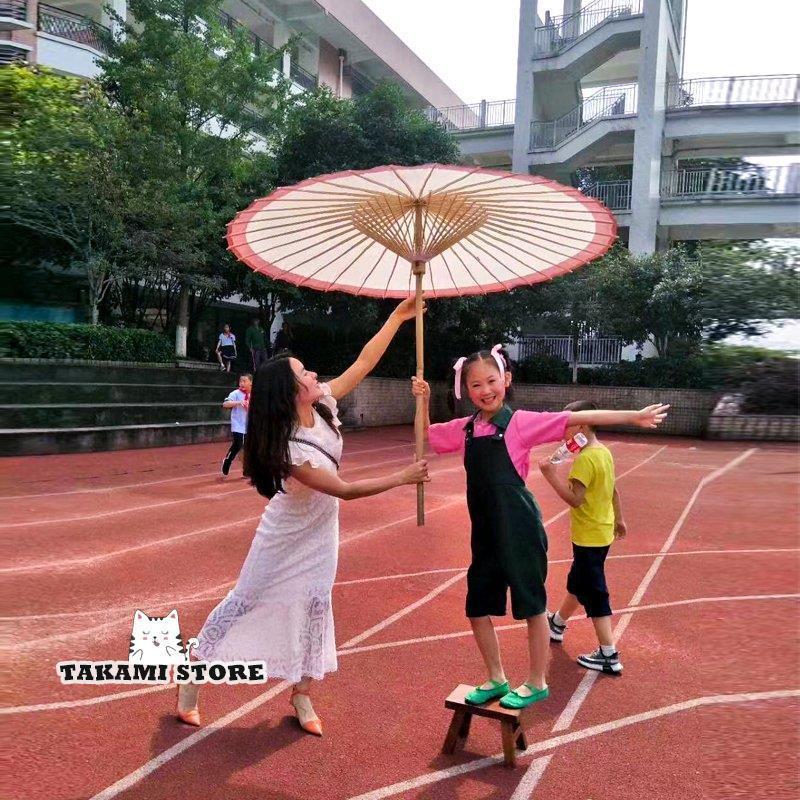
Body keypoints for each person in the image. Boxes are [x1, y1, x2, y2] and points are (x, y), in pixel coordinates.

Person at [177, 296, 429, 736]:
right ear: (290, 392)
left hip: (321, 532)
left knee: (316, 602)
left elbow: (363, 363)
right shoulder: (289, 447)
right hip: (285, 534)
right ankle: (193, 676)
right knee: (246, 599)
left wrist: (397, 317)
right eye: (304, 373)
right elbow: (344, 490)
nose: (314, 375)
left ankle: (302, 692)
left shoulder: (322, 405)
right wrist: (402, 477)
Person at [411, 345, 668, 709]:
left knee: (532, 605)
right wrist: (422, 401)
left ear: (506, 380)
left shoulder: (520, 423)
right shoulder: (465, 429)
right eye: (475, 385)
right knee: (476, 605)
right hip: (485, 531)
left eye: (491, 381)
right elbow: (425, 435)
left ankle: (536, 682)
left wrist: (633, 416)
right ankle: (496, 678)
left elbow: (577, 418)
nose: (485, 390)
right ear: (465, 390)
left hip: (519, 528)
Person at [539, 401, 627, 675]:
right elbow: (612, 490)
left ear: (583, 426)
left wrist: (550, 475)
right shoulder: (604, 452)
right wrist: (619, 518)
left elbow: (575, 499)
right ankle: (557, 623)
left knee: (595, 591)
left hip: (589, 535)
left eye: (567, 425)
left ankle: (609, 654)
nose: (563, 431)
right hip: (602, 531)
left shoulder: (586, 459)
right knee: (579, 581)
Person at [220, 374, 252, 478]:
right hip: (238, 424)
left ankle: (246, 469)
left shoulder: (254, 394)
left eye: (244, 381)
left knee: (246, 448)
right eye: (240, 381)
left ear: (251, 383)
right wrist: (238, 402)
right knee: (238, 444)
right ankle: (228, 460)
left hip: (249, 425)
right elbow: (225, 404)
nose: (242, 383)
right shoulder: (235, 393)